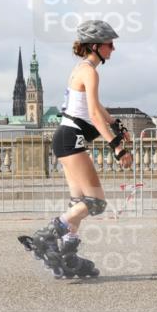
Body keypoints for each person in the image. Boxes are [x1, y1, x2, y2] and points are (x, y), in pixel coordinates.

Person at [29, 20, 133, 277]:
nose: (113, 49)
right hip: (71, 137)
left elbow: (95, 108)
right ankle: (48, 234)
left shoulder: (81, 69)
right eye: (110, 44)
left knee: (78, 202)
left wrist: (115, 122)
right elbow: (95, 115)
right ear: (96, 46)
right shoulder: (90, 71)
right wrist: (117, 147)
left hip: (64, 136)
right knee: (95, 203)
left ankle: (67, 256)